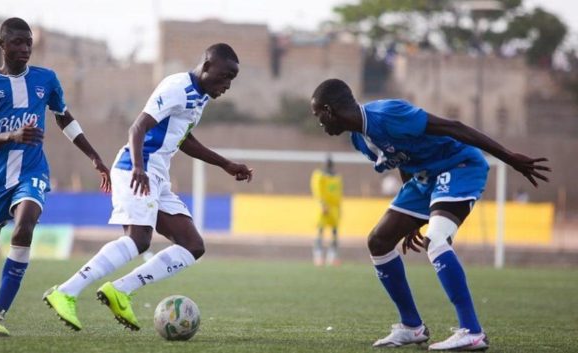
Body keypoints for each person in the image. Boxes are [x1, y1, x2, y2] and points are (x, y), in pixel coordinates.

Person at [310, 79, 550, 351]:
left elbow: (455, 127)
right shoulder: (359, 140)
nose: (320, 124)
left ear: (329, 111)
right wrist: (411, 214)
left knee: (436, 239)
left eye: (319, 116)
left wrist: (509, 158)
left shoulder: (388, 114)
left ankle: (472, 331)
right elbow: (402, 160)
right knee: (379, 241)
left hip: (459, 166)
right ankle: (412, 327)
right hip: (426, 178)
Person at [43, 43, 253, 332]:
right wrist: (139, 167)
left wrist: (225, 164)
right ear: (206, 66)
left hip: (157, 175)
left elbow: (184, 139)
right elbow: (137, 127)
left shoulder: (201, 96)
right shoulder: (177, 87)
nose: (227, 85)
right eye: (225, 76)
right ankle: (65, 291)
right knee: (139, 239)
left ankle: (120, 290)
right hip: (135, 168)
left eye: (232, 79)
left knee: (192, 245)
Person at [0, 18, 111, 338]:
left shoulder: (46, 79)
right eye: (17, 42)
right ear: (2, 46)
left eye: (28, 42)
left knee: (25, 226)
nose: (24, 48)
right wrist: (14, 135)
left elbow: (64, 118)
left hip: (33, 171)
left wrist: (94, 156)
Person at [310, 155, 342, 266]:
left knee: (334, 232)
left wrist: (339, 208)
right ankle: (318, 256)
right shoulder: (319, 175)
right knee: (320, 231)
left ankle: (332, 257)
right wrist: (322, 204)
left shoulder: (336, 177)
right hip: (324, 207)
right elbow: (317, 190)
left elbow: (338, 194)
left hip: (334, 208)